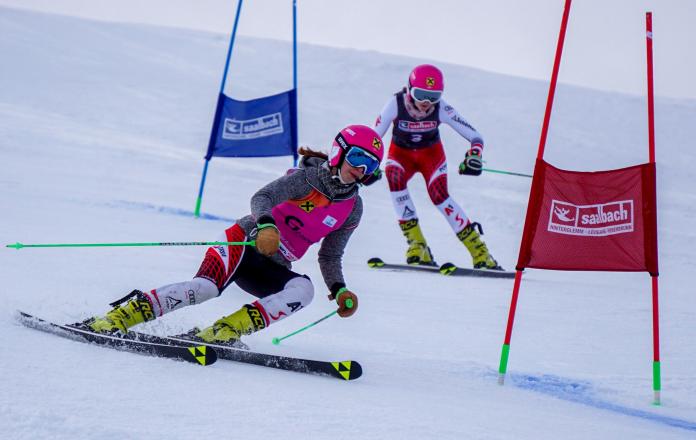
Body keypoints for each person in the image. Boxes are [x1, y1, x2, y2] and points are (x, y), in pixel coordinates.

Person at [83, 124, 385, 346]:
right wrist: (266, 226)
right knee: (205, 289)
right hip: (242, 242)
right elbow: (262, 197)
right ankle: (116, 319)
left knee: (303, 292)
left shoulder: (353, 208)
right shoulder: (307, 178)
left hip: (273, 265)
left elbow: (330, 254)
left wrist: (340, 288)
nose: (360, 168)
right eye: (357, 157)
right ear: (339, 151)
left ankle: (223, 331)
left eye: (369, 164)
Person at [373, 64, 502, 270]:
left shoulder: (442, 108)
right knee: (394, 175)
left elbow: (475, 136)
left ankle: (480, 252)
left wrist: (474, 154)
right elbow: (373, 137)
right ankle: (417, 245)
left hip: (430, 157)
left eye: (433, 96)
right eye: (421, 94)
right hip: (401, 155)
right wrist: (367, 163)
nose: (426, 103)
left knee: (439, 195)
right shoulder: (395, 104)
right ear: (409, 89)